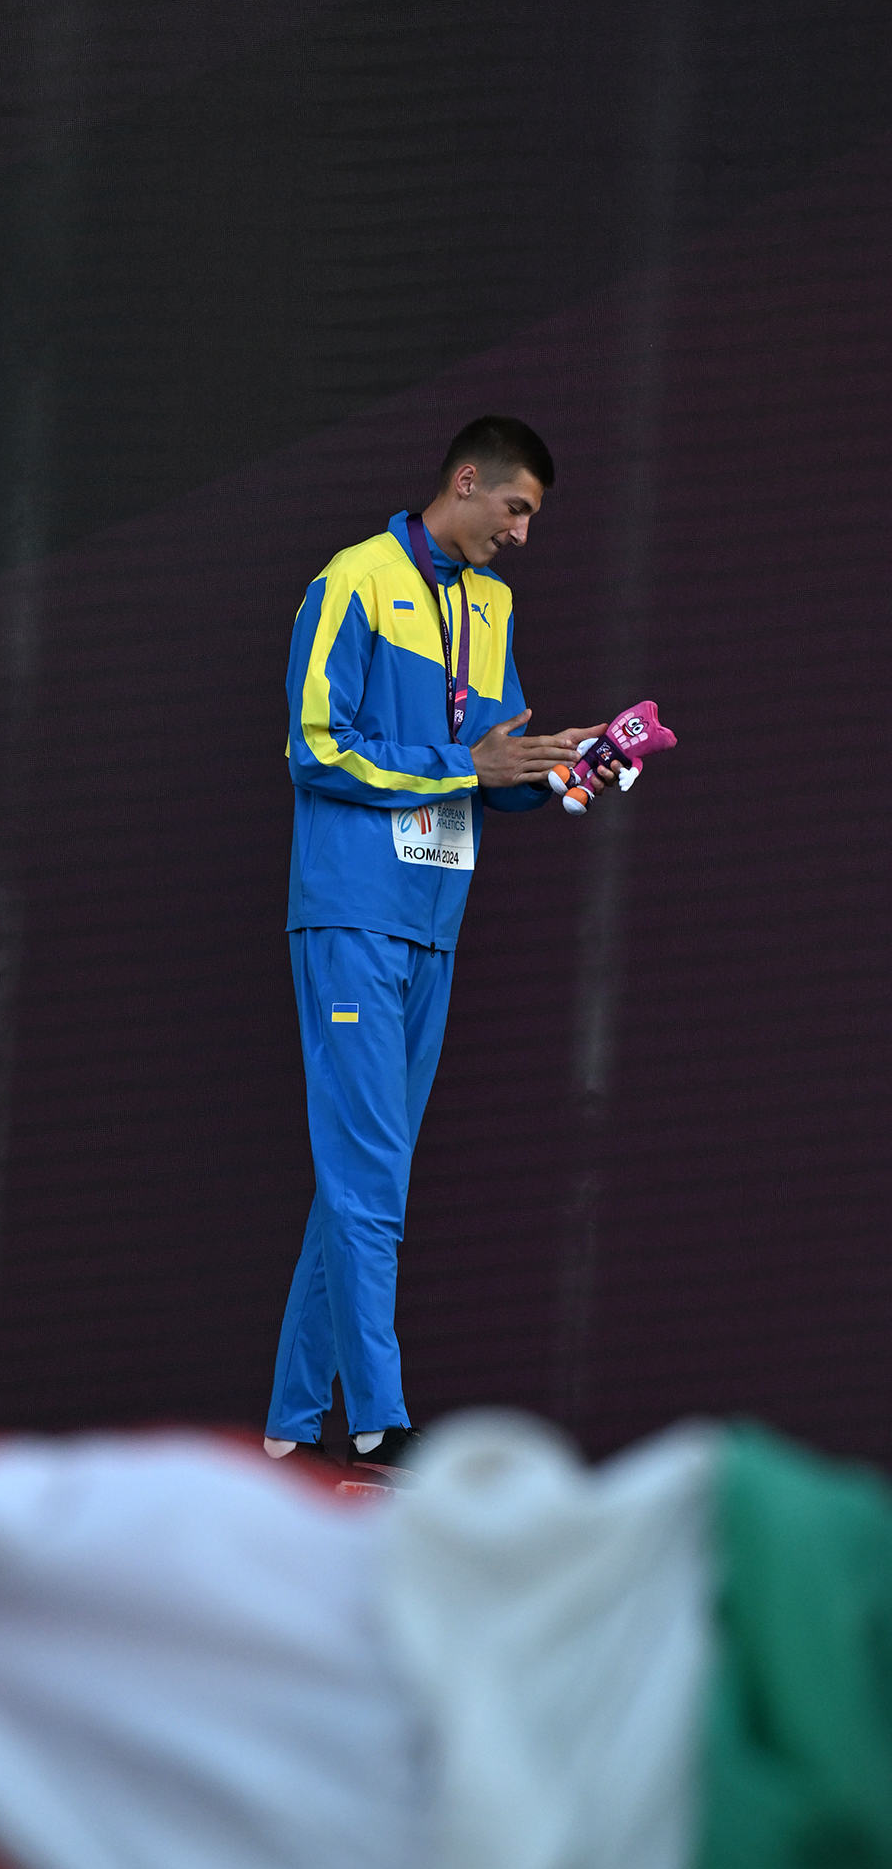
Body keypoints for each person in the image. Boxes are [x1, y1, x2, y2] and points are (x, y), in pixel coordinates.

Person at [264, 418, 614, 1470]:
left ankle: (289, 1428)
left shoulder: (491, 604)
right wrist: (466, 766)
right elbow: (314, 746)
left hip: (433, 921)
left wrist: (556, 769)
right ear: (466, 482)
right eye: (515, 509)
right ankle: (378, 1420)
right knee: (370, 1176)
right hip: (351, 910)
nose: (521, 534)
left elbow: (491, 766)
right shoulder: (354, 579)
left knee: (361, 1177)